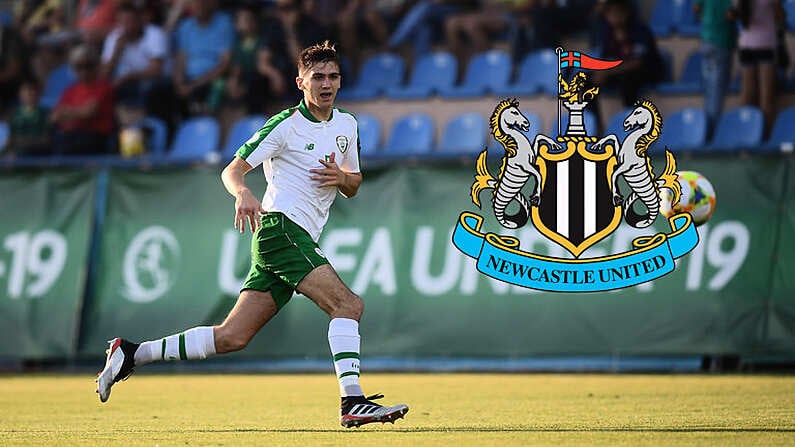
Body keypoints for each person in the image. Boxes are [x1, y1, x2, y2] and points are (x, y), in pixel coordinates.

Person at [95, 41, 410, 429]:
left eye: (332, 76)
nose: (326, 84)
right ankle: (352, 401)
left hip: (292, 238)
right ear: (301, 82)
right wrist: (244, 192)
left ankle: (131, 353)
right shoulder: (284, 126)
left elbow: (354, 183)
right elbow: (232, 170)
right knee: (348, 306)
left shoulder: (348, 125)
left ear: (340, 81)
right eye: (317, 77)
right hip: (281, 229)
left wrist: (342, 177)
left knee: (232, 337)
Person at [101, 3, 170, 115]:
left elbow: (156, 71)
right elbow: (104, 75)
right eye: (122, 22)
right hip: (129, 82)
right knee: (105, 90)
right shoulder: (114, 38)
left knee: (147, 87)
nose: (126, 26)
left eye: (129, 21)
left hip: (157, 82)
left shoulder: (155, 34)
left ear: (140, 20)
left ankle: (147, 123)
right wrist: (116, 52)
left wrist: (128, 77)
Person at [51, 44, 115, 155]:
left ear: (97, 65)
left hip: (94, 137)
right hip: (69, 136)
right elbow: (55, 117)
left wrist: (68, 112)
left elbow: (89, 113)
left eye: (89, 65)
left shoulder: (103, 87)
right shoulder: (70, 90)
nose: (84, 71)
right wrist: (78, 112)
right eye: (79, 66)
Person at [735, 0, 784, 135]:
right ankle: (766, 134)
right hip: (765, 44)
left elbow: (734, 14)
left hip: (746, 45)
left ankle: (746, 133)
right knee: (766, 94)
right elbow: (780, 16)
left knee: (747, 93)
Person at [693, 0, 737, 136]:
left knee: (709, 90)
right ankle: (713, 132)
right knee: (716, 91)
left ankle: (707, 130)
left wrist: (708, 20)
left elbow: (696, 7)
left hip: (707, 40)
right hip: (721, 42)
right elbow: (730, 14)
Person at [6, 78, 52, 157]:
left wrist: (22, 142)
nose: (28, 93)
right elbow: (9, 138)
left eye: (31, 90)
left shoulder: (46, 113)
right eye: (25, 90)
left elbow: (46, 140)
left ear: (38, 93)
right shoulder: (13, 114)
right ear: (19, 94)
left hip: (35, 151)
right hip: (15, 150)